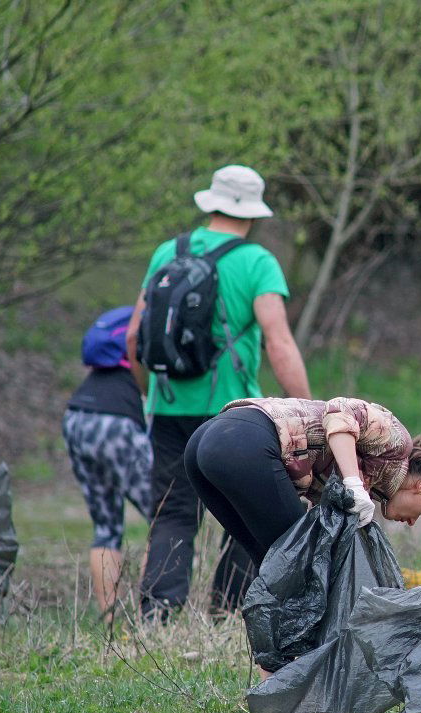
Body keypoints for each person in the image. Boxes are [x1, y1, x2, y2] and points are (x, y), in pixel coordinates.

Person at [126, 164, 311, 619]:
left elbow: (133, 338)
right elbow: (279, 343)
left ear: (210, 201)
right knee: (248, 513)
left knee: (171, 513)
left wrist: (150, 397)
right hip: (232, 416)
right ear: (252, 212)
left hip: (169, 409)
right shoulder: (257, 263)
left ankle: (157, 615)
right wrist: (308, 410)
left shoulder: (167, 252)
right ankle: (228, 611)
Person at [184, 396, 421, 639]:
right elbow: (339, 411)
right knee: (300, 567)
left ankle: (272, 681)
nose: (412, 522)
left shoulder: (370, 482)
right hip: (242, 440)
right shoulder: (396, 442)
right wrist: (352, 483)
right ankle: (292, 676)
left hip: (206, 446)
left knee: (273, 568)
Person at [62, 306, 153, 621]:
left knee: (106, 528)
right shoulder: (152, 327)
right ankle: (152, 615)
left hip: (77, 416)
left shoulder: (123, 326)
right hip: (117, 424)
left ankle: (111, 619)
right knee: (165, 518)